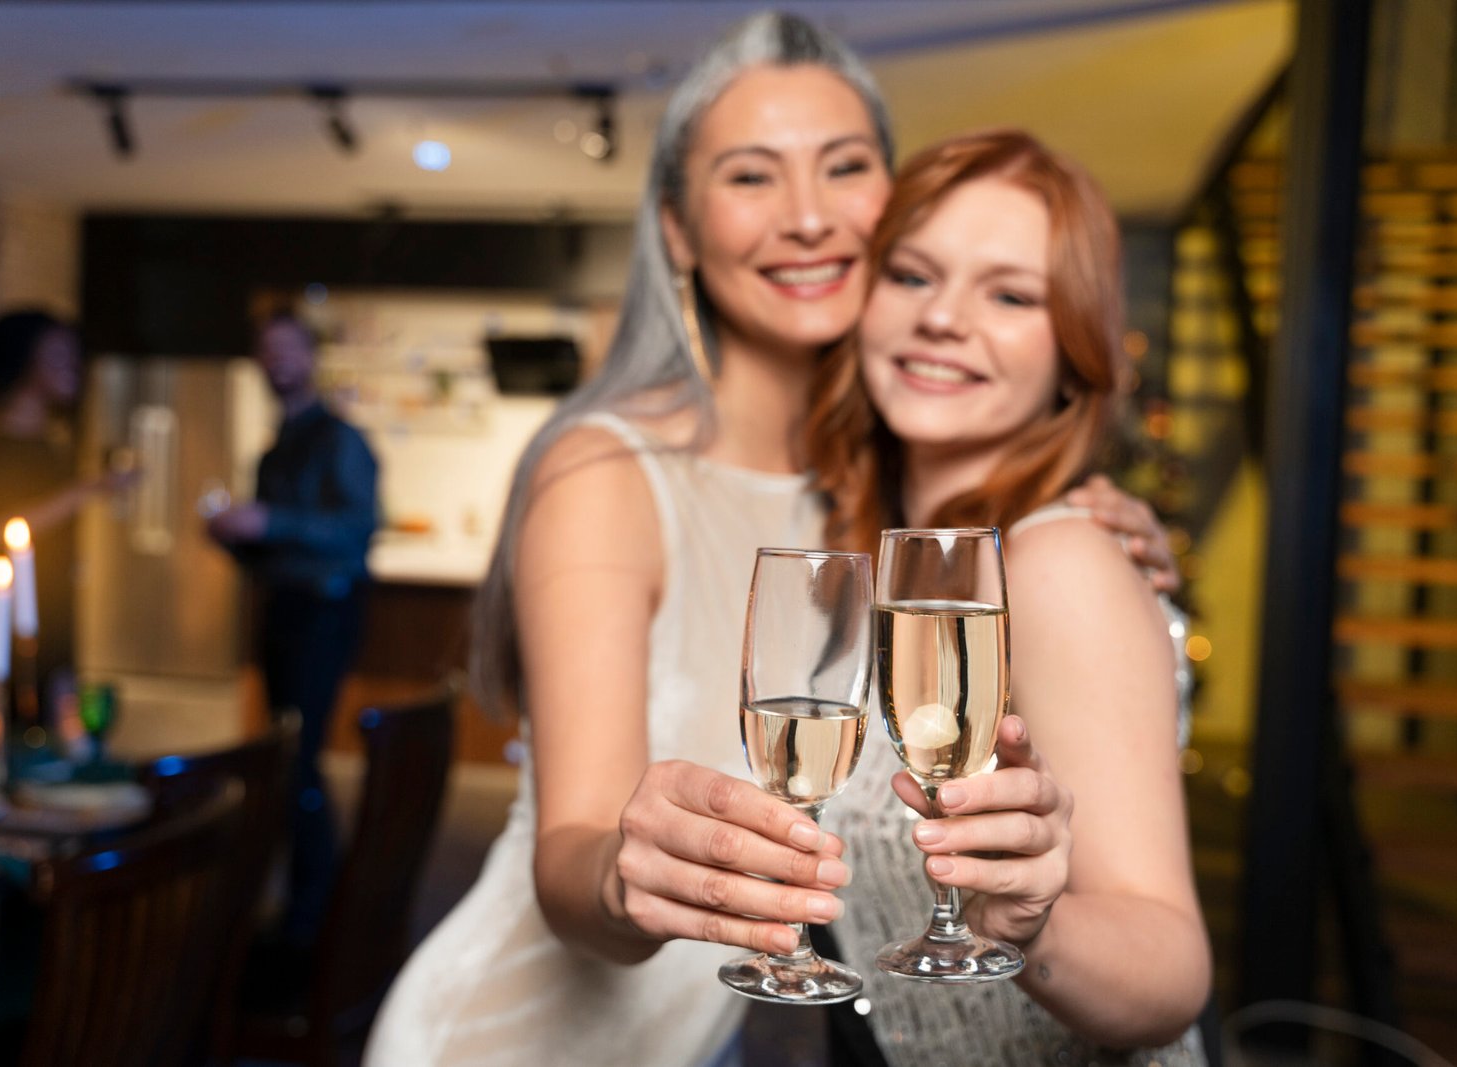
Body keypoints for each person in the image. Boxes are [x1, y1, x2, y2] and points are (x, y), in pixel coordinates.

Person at [367, 15, 1174, 1067]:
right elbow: (567, 853)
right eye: (751, 177)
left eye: (844, 168)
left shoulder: (876, 492)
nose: (805, 217)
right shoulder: (606, 470)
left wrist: (1085, 521)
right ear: (676, 230)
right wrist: (623, 871)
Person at [806, 128, 1210, 1065]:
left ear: (1074, 353)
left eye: (1011, 294)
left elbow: (1171, 966)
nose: (944, 317)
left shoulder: (1056, 564)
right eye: (912, 275)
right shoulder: (877, 557)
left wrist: (1031, 929)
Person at [206, 310, 378, 946]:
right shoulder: (275, 448)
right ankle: (303, 903)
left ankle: (315, 914)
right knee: (286, 760)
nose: (276, 360)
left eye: (287, 349)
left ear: (310, 357)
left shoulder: (340, 440)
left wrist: (272, 522)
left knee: (300, 760)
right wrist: (232, 537)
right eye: (266, 350)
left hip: (324, 612)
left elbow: (357, 529)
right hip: (282, 608)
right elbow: (268, 553)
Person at [0, 309, 136, 721]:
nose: (72, 367)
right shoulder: (5, 437)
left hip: (54, 589)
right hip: (21, 590)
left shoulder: (47, 434)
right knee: (31, 704)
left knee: (60, 704)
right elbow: (0, 526)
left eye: (74, 356)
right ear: (26, 362)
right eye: (58, 357)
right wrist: (91, 488)